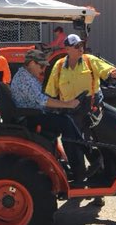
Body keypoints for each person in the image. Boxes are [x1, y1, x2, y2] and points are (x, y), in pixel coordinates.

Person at [9, 48, 86, 182]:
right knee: (66, 123)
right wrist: (67, 104)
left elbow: (41, 99)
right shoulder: (24, 79)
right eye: (42, 65)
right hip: (30, 118)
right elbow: (42, 100)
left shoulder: (26, 76)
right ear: (32, 63)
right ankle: (79, 170)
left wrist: (60, 105)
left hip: (32, 114)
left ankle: (77, 161)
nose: (44, 68)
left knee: (65, 119)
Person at [44, 33, 116, 103]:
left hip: (90, 110)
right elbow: (51, 93)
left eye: (81, 45)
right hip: (69, 111)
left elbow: (109, 71)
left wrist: (115, 74)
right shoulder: (59, 65)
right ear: (67, 49)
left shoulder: (90, 60)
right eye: (77, 46)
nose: (80, 48)